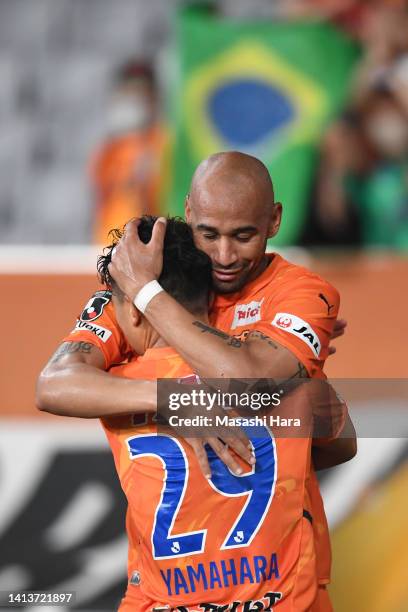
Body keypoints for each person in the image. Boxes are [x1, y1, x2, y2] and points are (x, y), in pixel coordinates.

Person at [37, 151, 348, 610]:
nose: (224, 255)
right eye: (209, 234)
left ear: (275, 219)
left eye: (244, 235)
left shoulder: (299, 295)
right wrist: (174, 401)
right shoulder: (141, 288)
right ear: (188, 214)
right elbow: (52, 385)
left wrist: (148, 295)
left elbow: (330, 435)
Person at [91, 59, 168, 244]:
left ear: (154, 98)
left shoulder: (166, 144)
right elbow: (100, 195)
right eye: (129, 94)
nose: (135, 101)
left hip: (153, 249)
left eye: (141, 94)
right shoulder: (110, 147)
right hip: (108, 245)